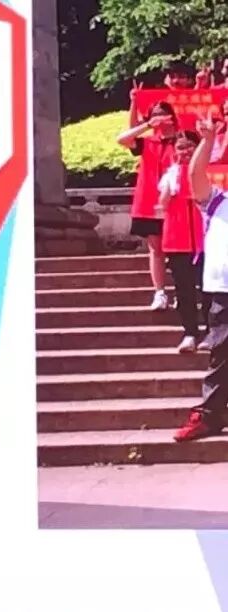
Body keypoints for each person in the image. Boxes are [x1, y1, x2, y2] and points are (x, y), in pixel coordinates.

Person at [177, 112, 228, 441]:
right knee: (221, 354)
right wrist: (207, 140)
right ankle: (210, 415)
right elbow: (195, 174)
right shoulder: (216, 201)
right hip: (223, 290)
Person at [118, 102, 179, 310]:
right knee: (156, 248)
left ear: (172, 116)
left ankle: (182, 291)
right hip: (150, 202)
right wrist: (142, 117)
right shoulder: (147, 142)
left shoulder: (182, 140)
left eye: (163, 113)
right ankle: (160, 292)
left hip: (177, 202)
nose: (159, 117)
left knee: (180, 250)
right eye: (155, 114)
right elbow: (123, 139)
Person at [155, 130, 210, 353]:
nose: (185, 151)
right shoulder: (171, 174)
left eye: (189, 146)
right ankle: (190, 333)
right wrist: (173, 178)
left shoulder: (207, 171)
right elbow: (162, 205)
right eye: (180, 147)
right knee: (184, 290)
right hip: (177, 241)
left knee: (209, 289)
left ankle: (211, 331)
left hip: (206, 241)